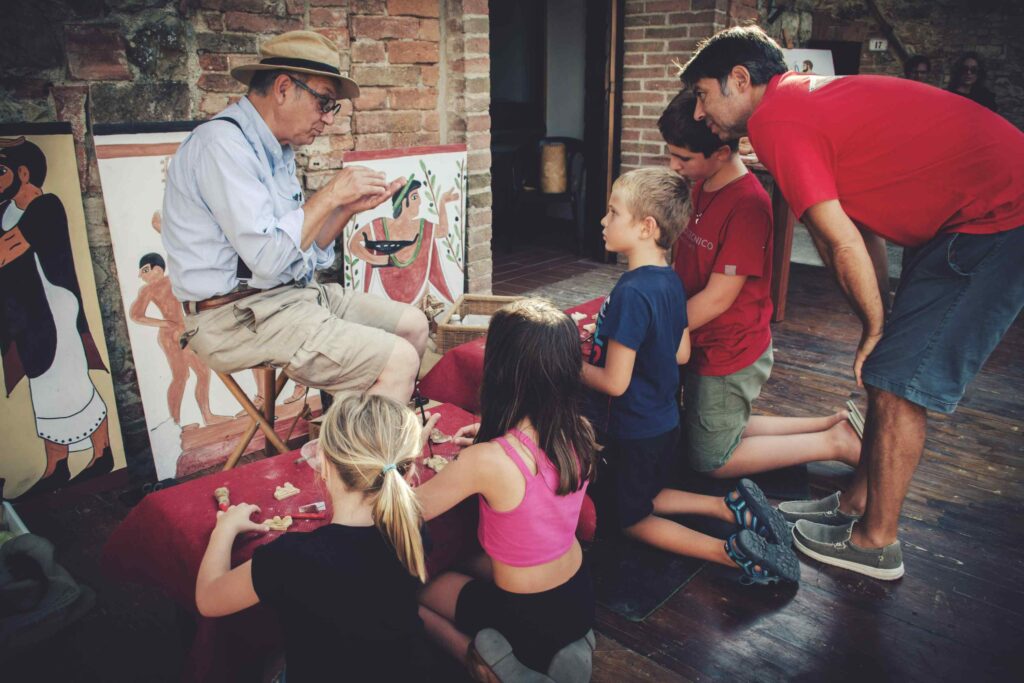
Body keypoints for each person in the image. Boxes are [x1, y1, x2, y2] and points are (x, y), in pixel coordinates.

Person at [681, 25, 1024, 580]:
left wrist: (874, 328)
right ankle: (853, 506)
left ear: (739, 81)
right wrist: (882, 316)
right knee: (889, 367)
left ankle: (875, 544)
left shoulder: (774, 120)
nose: (699, 113)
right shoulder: (804, 102)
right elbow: (862, 227)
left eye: (702, 94)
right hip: (963, 217)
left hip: (997, 215)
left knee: (897, 380)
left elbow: (838, 239)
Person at [161, 31, 428, 404]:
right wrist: (330, 194)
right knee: (397, 360)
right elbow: (268, 259)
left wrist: (344, 210)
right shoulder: (221, 146)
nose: (328, 120)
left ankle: (343, 442)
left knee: (414, 327)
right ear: (283, 88)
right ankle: (360, 458)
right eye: (324, 102)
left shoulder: (278, 151)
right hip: (232, 316)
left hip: (287, 297)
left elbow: (304, 251)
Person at [582, 167, 800, 586]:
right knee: (643, 492)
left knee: (630, 518)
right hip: (664, 424)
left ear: (646, 227)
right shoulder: (671, 282)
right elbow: (681, 351)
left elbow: (614, 383)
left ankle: (731, 554)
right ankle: (728, 507)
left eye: (613, 212)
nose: (604, 221)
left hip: (633, 430)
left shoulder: (630, 292)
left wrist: (570, 364)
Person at [657, 91, 861, 479]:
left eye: (683, 157)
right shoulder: (701, 182)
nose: (674, 166)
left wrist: (655, 327)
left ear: (720, 152)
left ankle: (837, 444)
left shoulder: (748, 205)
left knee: (711, 459)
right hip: (701, 338)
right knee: (716, 428)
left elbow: (718, 299)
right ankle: (828, 425)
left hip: (728, 350)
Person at [415, 299, 598, 681]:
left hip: (524, 615)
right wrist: (490, 439)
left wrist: (407, 455)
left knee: (417, 591)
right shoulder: (578, 429)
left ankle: (484, 664)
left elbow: (407, 509)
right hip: (579, 598)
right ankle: (566, 648)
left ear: (499, 369)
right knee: (460, 560)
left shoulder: (487, 460)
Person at [195, 393, 430, 682]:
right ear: (405, 473)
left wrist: (224, 530)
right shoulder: (412, 529)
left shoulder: (290, 558)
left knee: (266, 664)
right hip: (404, 670)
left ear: (323, 462)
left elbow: (208, 598)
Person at [0, 136, 113, 496]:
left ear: (23, 172)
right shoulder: (5, 211)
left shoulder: (46, 206)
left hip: (56, 308)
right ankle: (56, 467)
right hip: (29, 315)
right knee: (43, 387)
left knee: (71, 382)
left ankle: (103, 453)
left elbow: (7, 251)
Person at [129, 253, 231, 429]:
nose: (141, 276)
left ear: (157, 269)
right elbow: (135, 315)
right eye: (141, 272)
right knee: (180, 376)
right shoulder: (147, 290)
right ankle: (174, 423)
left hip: (185, 331)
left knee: (203, 372)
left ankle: (207, 415)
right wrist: (164, 323)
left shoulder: (174, 279)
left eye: (145, 270)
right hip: (169, 336)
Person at [347, 175, 461, 303]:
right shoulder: (380, 225)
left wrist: (442, 202)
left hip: (418, 295)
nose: (419, 202)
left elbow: (442, 231)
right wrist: (378, 259)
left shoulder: (421, 225)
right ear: (403, 202)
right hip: (385, 296)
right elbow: (353, 243)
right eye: (414, 197)